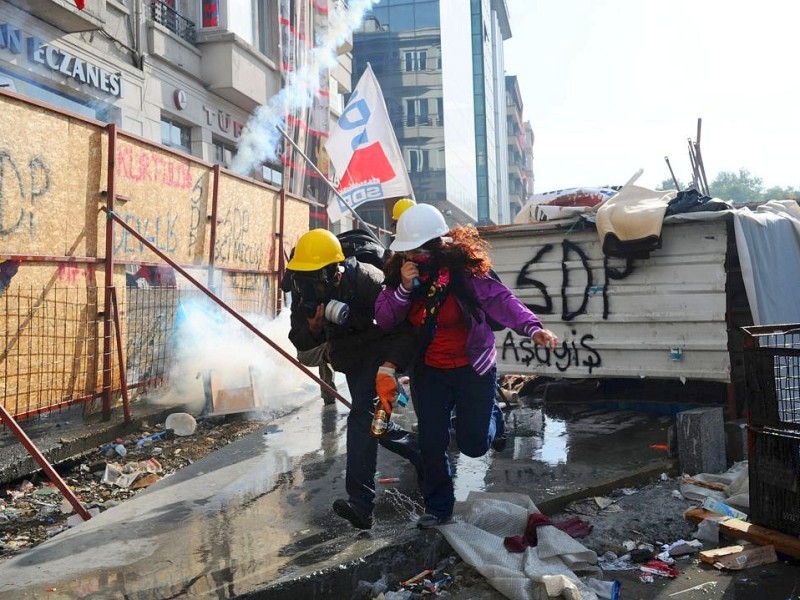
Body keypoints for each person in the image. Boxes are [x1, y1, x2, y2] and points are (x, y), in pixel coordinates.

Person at [374, 204, 559, 529]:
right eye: (408, 251)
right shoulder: (400, 271)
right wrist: (404, 288)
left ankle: (494, 419)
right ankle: (439, 508)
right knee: (432, 441)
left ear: (432, 246)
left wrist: (533, 328)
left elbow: (502, 300)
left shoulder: (464, 271)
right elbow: (386, 317)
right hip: (429, 370)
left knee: (473, 444)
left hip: (473, 367)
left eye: (417, 250)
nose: (411, 257)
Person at [284, 229, 422, 529]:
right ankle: (423, 454)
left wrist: (390, 367)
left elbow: (404, 329)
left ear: (334, 272)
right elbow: (302, 346)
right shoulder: (303, 291)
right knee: (377, 427)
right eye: (302, 280)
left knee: (362, 417)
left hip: (383, 354)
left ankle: (361, 504)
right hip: (353, 359)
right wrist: (314, 327)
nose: (308, 287)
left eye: (314, 279)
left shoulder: (367, 280)